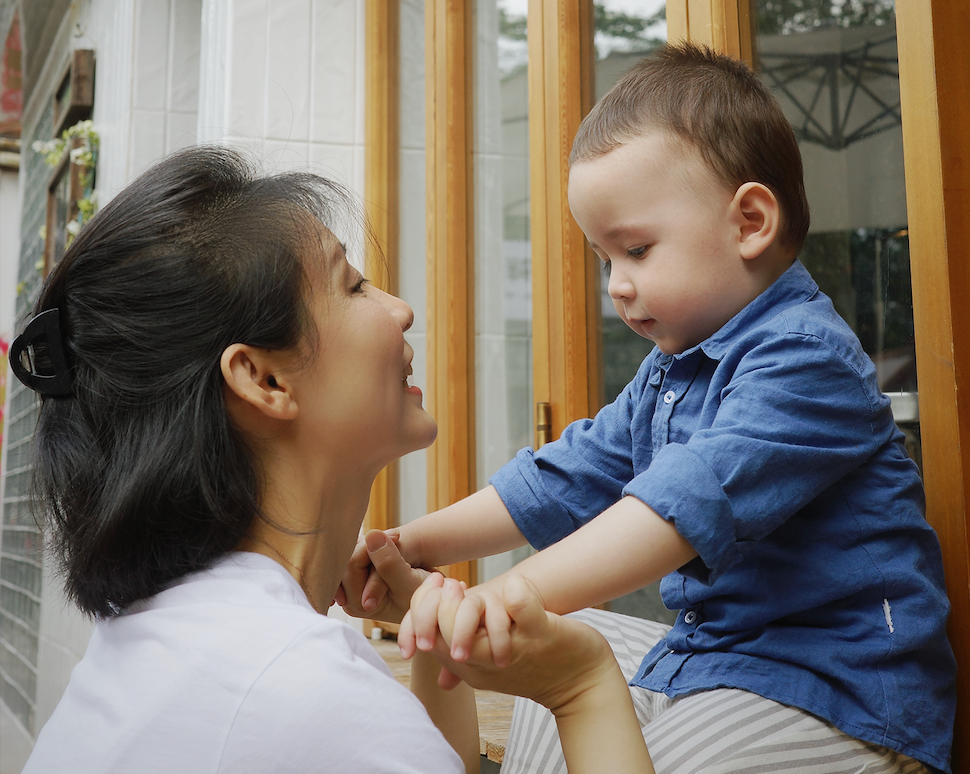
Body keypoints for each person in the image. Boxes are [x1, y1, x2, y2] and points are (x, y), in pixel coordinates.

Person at [341, 43, 957, 774]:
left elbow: (675, 509)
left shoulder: (807, 361)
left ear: (750, 221)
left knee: (534, 636)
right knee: (538, 646)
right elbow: (563, 477)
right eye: (604, 259)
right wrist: (413, 546)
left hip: (835, 690)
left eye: (635, 249)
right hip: (713, 655)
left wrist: (505, 594)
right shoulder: (671, 370)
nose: (616, 287)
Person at [10, 145, 653, 774]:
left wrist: (433, 647)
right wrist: (582, 685)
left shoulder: (180, 642)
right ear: (264, 380)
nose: (399, 310)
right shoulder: (298, 689)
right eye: (352, 285)